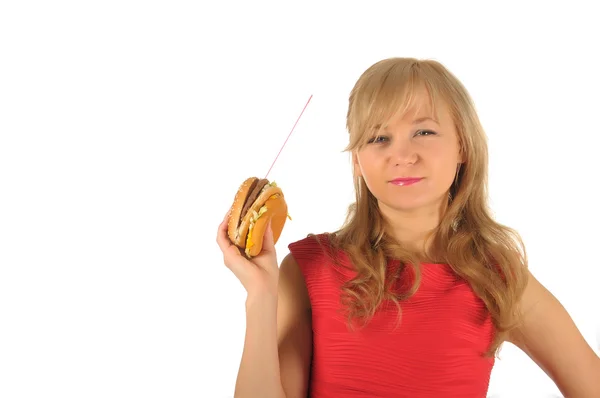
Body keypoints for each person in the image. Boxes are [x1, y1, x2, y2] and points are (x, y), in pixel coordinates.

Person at [216, 57, 600, 397]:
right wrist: (260, 295)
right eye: (379, 137)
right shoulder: (309, 267)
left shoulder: (498, 276)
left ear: (463, 146)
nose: (401, 155)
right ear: (357, 162)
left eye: (424, 132)